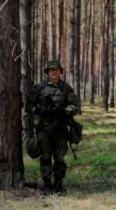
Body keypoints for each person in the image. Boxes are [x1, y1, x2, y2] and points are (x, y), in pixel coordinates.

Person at [29, 60, 80, 195]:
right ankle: (47, 185)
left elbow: (76, 107)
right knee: (45, 157)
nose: (54, 72)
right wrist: (40, 111)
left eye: (56, 70)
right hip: (44, 129)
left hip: (61, 130)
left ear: (60, 72)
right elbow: (29, 106)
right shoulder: (39, 88)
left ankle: (58, 185)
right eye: (51, 70)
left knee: (59, 159)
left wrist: (64, 111)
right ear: (47, 72)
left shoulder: (66, 88)